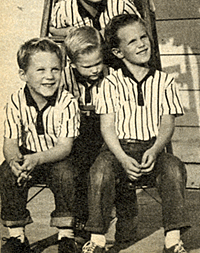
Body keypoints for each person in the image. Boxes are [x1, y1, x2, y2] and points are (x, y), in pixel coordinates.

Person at [82, 14, 190, 253]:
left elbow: (167, 123)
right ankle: (97, 239)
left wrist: (154, 149)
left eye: (144, 37)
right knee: (100, 171)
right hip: (117, 149)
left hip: (152, 148)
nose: (142, 44)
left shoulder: (164, 82)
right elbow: (107, 127)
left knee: (174, 167)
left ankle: (172, 239)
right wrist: (121, 157)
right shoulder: (110, 83)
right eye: (132, 41)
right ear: (118, 52)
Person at [0, 37, 80, 253]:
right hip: (27, 157)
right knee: (7, 172)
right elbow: (10, 143)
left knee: (65, 172)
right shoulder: (15, 102)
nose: (49, 76)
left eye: (55, 69)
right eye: (41, 70)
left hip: (57, 158)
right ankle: (17, 236)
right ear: (23, 75)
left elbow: (65, 147)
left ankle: (66, 235)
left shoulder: (67, 102)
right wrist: (15, 161)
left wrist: (36, 159)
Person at [63, 26, 108, 234]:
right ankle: (81, 219)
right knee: (79, 170)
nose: (94, 70)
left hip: (106, 129)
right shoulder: (64, 78)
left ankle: (126, 214)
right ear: (72, 64)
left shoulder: (111, 76)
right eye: (87, 66)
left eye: (98, 63)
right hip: (77, 130)